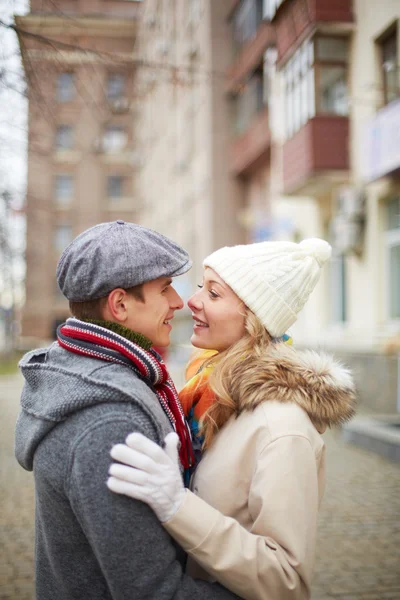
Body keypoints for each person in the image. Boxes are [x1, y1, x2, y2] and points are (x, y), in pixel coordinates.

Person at [107, 238, 357, 600]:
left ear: (255, 318)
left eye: (214, 293)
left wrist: (178, 507)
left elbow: (285, 582)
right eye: (200, 288)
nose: (191, 301)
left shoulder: (281, 428)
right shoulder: (207, 392)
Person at [15, 220, 242, 600]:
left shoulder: (79, 373)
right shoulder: (110, 420)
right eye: (164, 288)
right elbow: (154, 591)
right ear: (120, 304)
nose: (178, 301)